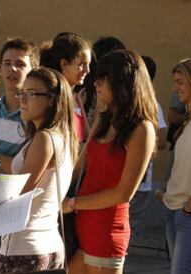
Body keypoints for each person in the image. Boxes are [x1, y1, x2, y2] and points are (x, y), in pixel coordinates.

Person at [66, 49, 158, 274]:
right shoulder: (105, 119)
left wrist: (72, 204)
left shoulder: (141, 128)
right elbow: (78, 168)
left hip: (107, 232)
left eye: (103, 77)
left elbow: (123, 193)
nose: (95, 83)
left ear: (122, 81)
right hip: (81, 229)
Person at [0, 67, 78, 273]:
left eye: (32, 93)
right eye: (22, 92)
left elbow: (19, 192)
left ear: (52, 99)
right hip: (46, 244)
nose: (22, 99)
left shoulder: (44, 138)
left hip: (24, 248)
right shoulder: (62, 137)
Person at [0, 37, 38, 274]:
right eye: (7, 63)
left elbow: (22, 171)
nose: (12, 69)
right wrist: (4, 160)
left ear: (32, 70)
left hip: (11, 217)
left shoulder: (34, 121)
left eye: (20, 64)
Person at [129, 55, 167, 241]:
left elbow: (161, 141)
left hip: (136, 179)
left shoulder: (148, 104)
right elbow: (161, 141)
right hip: (140, 179)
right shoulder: (154, 104)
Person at [160, 58, 191, 274]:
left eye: (180, 82)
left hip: (186, 213)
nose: (175, 88)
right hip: (172, 208)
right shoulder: (186, 122)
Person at [40, 33, 91, 143]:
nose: (87, 70)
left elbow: (87, 139)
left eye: (88, 65)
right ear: (64, 64)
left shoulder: (77, 98)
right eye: (82, 64)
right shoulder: (50, 98)